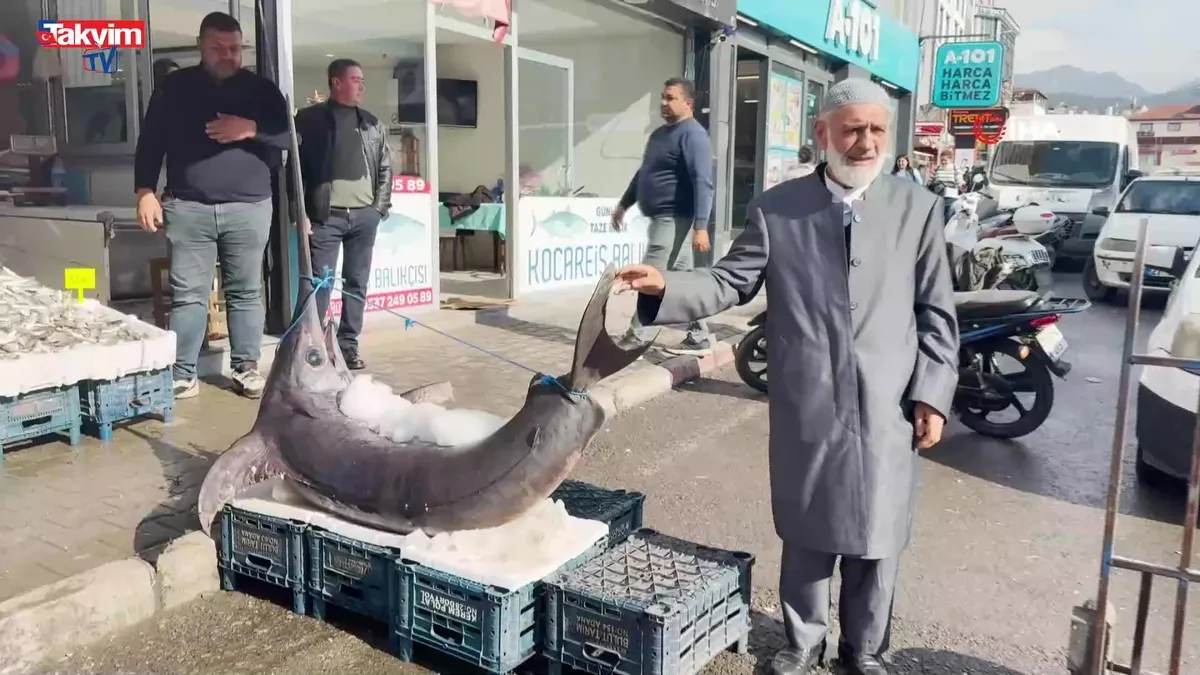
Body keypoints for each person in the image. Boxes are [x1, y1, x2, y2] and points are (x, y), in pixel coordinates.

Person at [614, 78, 959, 675]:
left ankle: (866, 650)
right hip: (809, 399)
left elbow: (936, 311)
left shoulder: (918, 208)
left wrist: (932, 393)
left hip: (888, 402)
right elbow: (729, 280)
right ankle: (803, 643)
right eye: (852, 129)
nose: (866, 142)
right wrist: (669, 285)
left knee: (878, 534)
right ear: (823, 133)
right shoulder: (779, 209)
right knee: (807, 527)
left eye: (877, 130)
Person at [134, 11, 290, 400]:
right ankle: (183, 372)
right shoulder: (175, 88)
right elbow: (151, 141)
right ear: (201, 47)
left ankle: (246, 368)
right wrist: (145, 192)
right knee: (188, 294)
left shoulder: (262, 90)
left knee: (246, 292)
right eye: (218, 48)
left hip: (249, 208)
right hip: (189, 208)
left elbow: (292, 137)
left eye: (235, 48)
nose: (228, 55)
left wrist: (250, 129)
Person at [293, 58, 392, 371]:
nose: (361, 85)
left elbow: (385, 168)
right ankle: (305, 346)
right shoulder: (308, 120)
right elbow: (293, 170)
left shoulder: (372, 123)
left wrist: (378, 209)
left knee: (356, 282)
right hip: (326, 218)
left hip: (364, 217)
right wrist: (300, 212)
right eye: (355, 79)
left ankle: (348, 345)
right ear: (335, 82)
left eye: (362, 80)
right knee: (319, 284)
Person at [611, 77, 715, 356]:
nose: (663, 102)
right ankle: (699, 334)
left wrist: (701, 226)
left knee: (649, 274)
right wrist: (624, 204)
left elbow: (703, 181)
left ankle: (637, 335)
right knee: (682, 279)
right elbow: (644, 173)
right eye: (662, 97)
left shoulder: (693, 135)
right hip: (661, 218)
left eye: (670, 98)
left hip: (675, 217)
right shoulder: (660, 134)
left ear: (688, 103)